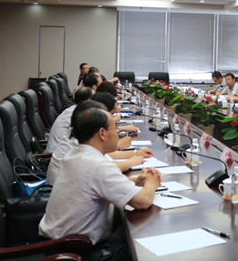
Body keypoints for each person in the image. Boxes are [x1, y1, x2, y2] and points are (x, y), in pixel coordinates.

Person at [39, 106, 161, 261]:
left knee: (133, 238)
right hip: (78, 252)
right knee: (147, 252)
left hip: (60, 244)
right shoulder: (97, 164)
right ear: (102, 133)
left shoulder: (77, 153)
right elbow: (142, 202)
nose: (117, 133)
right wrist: (152, 183)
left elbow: (94, 184)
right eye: (115, 128)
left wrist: (135, 181)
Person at [46, 100, 152, 185]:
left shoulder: (80, 134)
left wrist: (135, 153)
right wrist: (130, 163)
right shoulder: (81, 143)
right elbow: (104, 170)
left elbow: (106, 160)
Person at [45, 86, 92, 153]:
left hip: (61, 151)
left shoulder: (73, 109)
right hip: (55, 153)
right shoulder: (77, 114)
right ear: (88, 101)